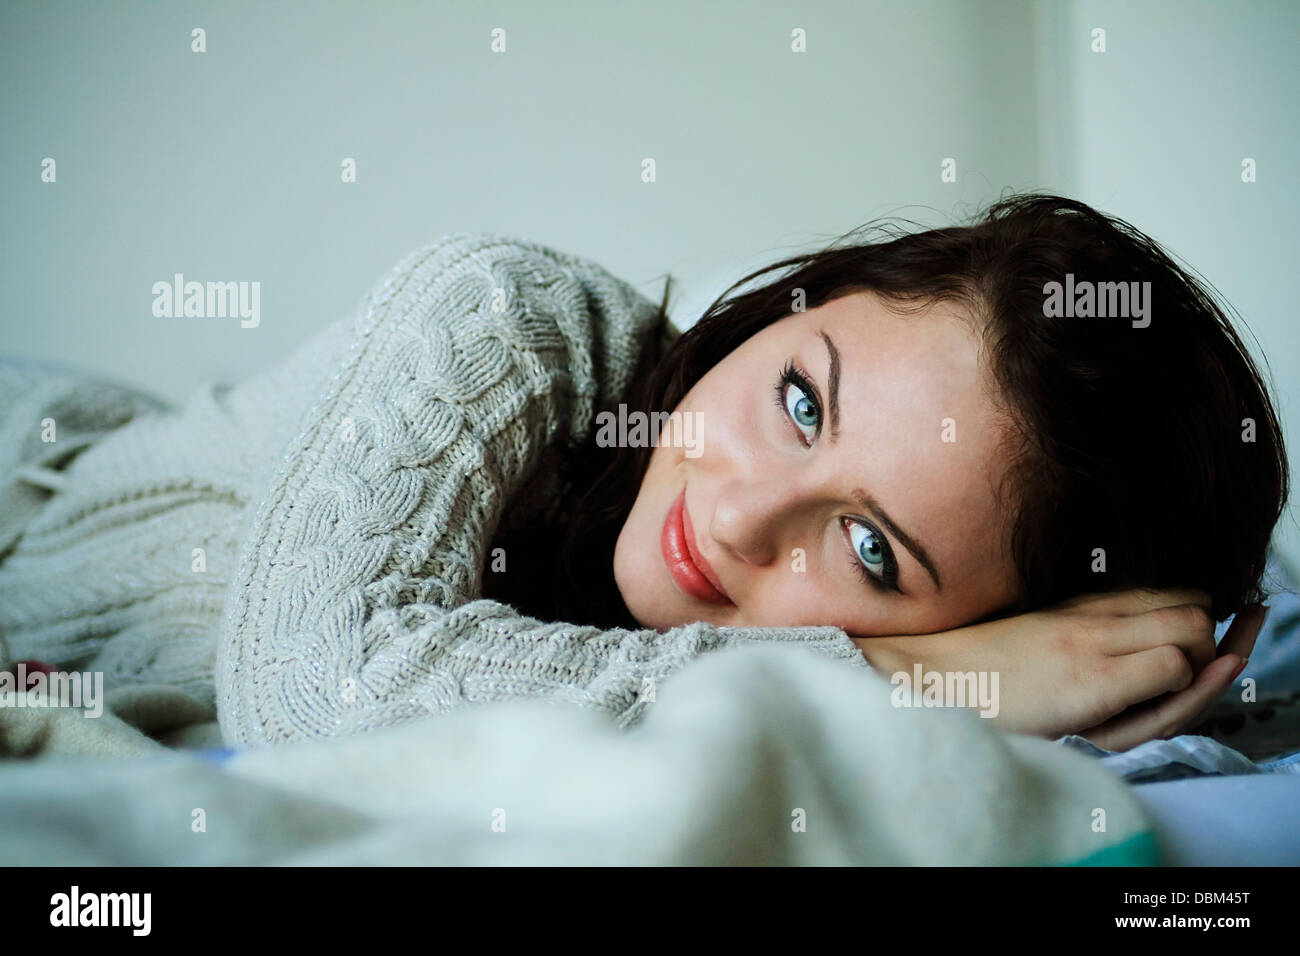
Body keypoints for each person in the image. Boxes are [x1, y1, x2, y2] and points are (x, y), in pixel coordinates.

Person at [0, 195, 1286, 751]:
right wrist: (894, 666)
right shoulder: (505, 317)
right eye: (799, 399)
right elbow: (313, 689)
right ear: (807, 298)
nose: (731, 514)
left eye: (872, 551)